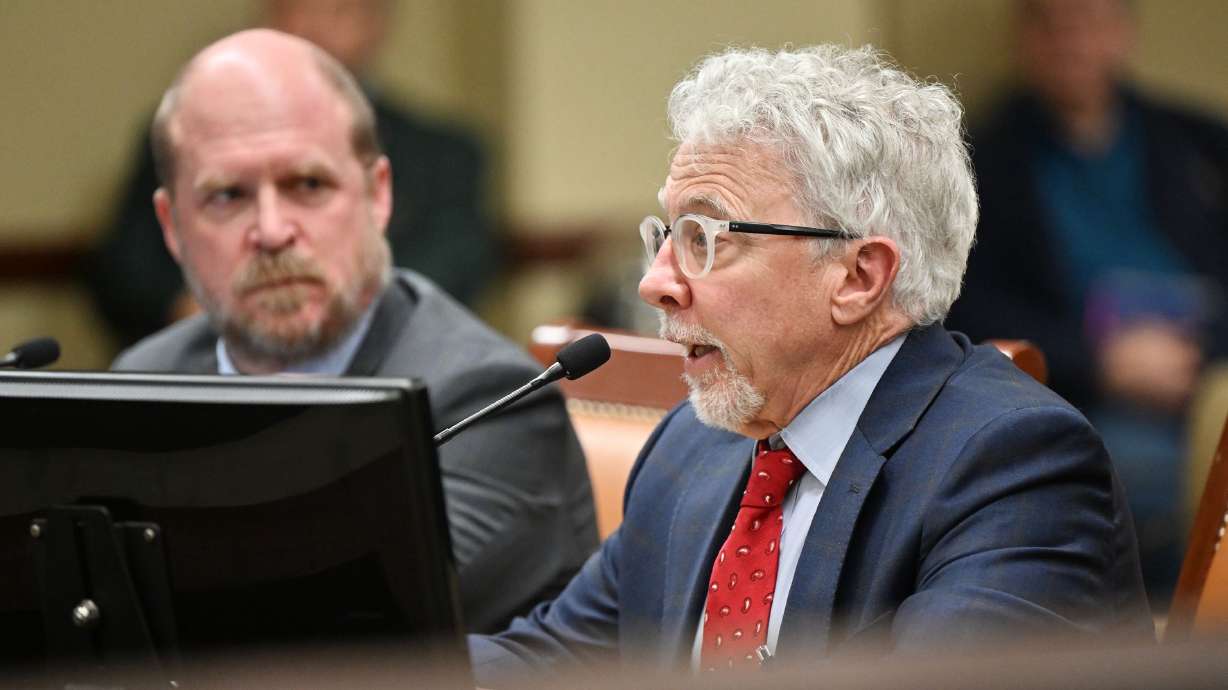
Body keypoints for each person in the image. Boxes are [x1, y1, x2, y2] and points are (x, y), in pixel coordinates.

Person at [468, 45, 1153, 683]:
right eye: (666, 235)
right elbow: (549, 662)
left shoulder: (1014, 467)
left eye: (705, 237)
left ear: (858, 276)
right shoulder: (693, 448)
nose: (657, 281)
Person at [109, 28, 597, 634]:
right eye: (228, 196)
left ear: (378, 194)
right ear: (172, 226)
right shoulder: (143, 383)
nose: (270, 230)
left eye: (307, 186)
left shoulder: (485, 399)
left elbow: (333, 631)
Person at [945, 0, 1228, 606]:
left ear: (1124, 34)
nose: (1073, 41)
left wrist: (1195, 360)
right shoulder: (980, 162)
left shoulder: (1196, 143)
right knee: (1121, 479)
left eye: (1092, 22)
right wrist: (1102, 363)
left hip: (1205, 375)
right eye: (1055, 24)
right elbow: (965, 305)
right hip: (1077, 393)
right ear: (1026, 39)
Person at [91, 0, 495, 348]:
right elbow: (124, 269)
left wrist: (315, 305)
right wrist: (193, 306)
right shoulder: (187, 139)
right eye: (298, 6)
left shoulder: (442, 153)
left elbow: (456, 264)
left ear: (377, 21)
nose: (312, 27)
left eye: (338, 9)